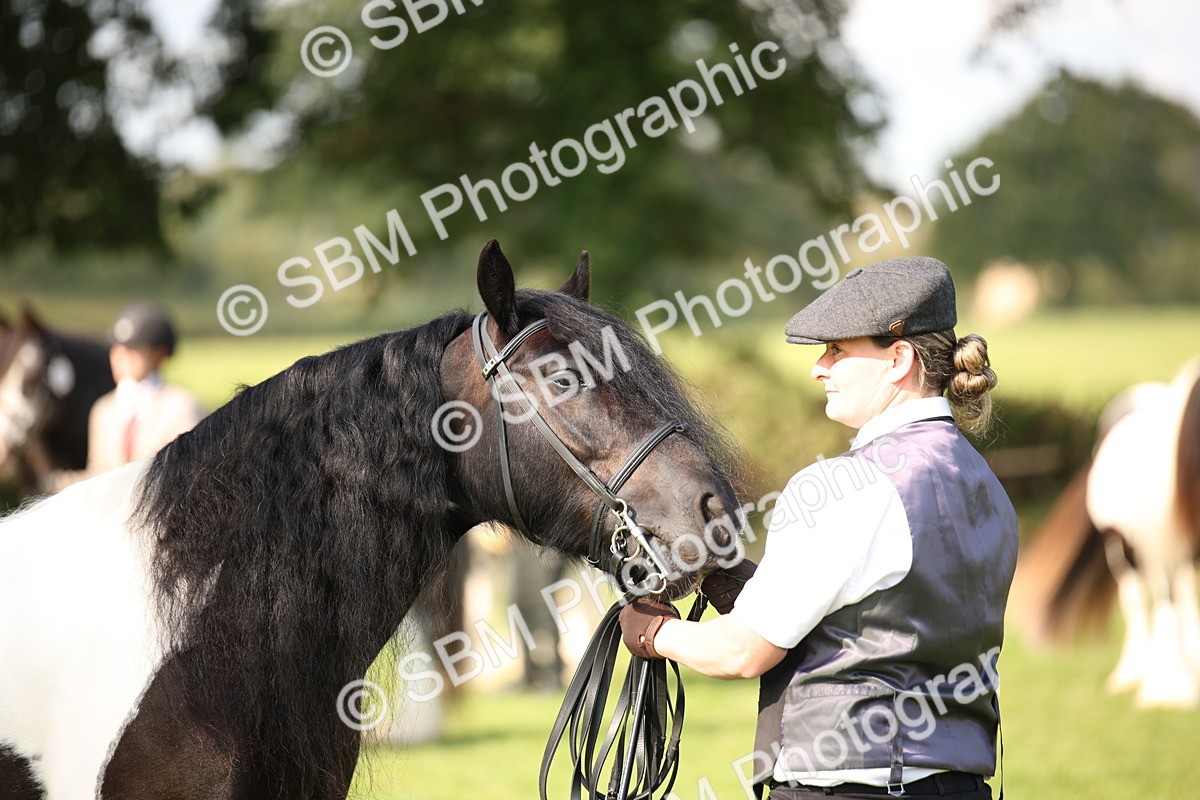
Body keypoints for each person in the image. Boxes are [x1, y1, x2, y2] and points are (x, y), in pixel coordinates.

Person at [620, 257, 1018, 799]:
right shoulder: (985, 483)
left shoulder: (845, 485)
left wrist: (651, 632)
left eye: (837, 350)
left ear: (898, 359)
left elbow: (742, 652)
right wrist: (734, 578)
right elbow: (878, 604)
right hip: (960, 784)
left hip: (846, 785)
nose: (818, 367)